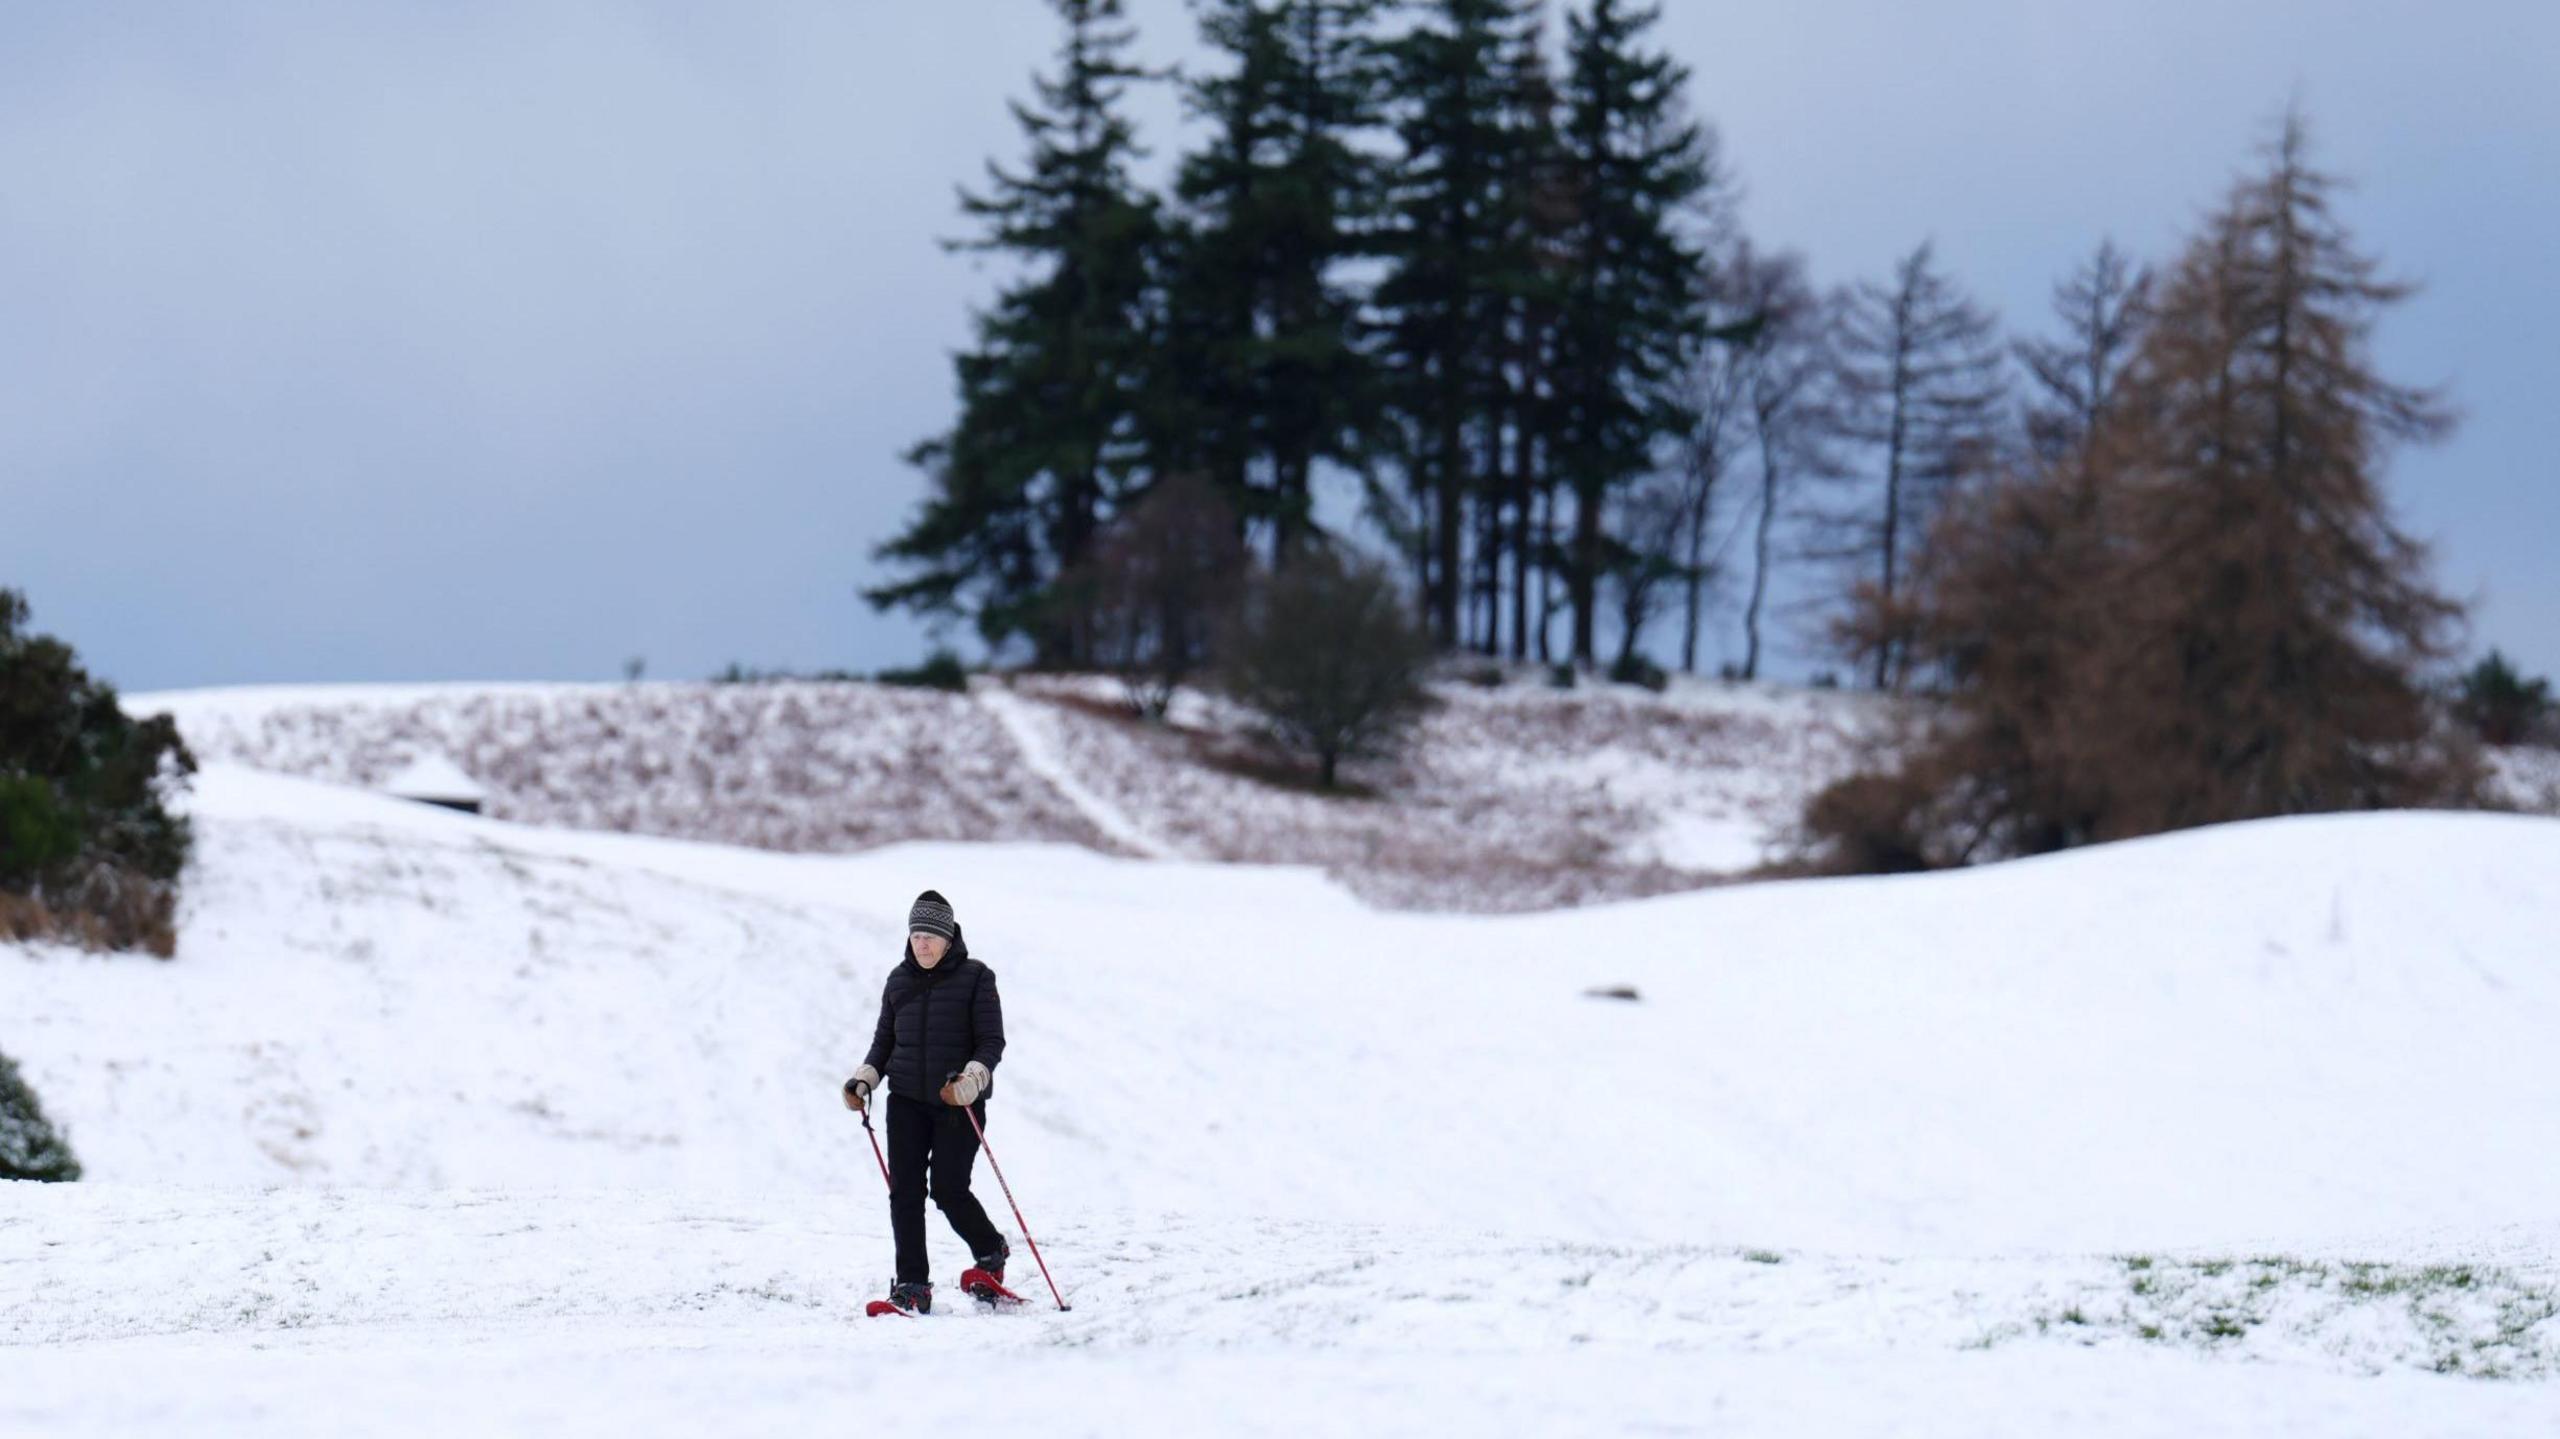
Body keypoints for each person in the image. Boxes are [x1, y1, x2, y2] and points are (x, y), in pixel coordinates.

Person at [842, 889, 1011, 1314]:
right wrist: (865, 1078)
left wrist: (974, 1077)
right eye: (916, 935)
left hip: (958, 1102)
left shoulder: (976, 977)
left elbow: (992, 1041)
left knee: (949, 1189)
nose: (922, 943)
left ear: (948, 937)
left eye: (930, 935)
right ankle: (913, 1285)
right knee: (905, 1193)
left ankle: (990, 1250)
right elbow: (884, 1042)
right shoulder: (898, 981)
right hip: (905, 1103)